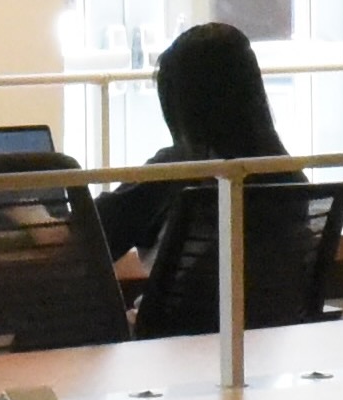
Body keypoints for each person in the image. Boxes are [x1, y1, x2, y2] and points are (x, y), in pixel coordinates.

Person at [108, 20, 283, 271]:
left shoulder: (176, 170)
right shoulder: (284, 171)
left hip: (181, 311)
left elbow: (92, 233)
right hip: (273, 311)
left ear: (179, 103)